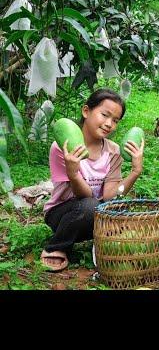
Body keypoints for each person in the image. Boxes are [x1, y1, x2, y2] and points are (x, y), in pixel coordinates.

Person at [41, 88, 144, 272]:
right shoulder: (62, 147)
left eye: (115, 120)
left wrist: (135, 171)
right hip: (62, 213)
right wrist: (73, 173)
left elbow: (111, 196)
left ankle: (103, 241)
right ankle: (56, 247)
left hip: (96, 212)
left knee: (121, 210)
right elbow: (85, 195)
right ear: (86, 111)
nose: (109, 124)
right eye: (105, 115)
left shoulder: (113, 151)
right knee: (89, 205)